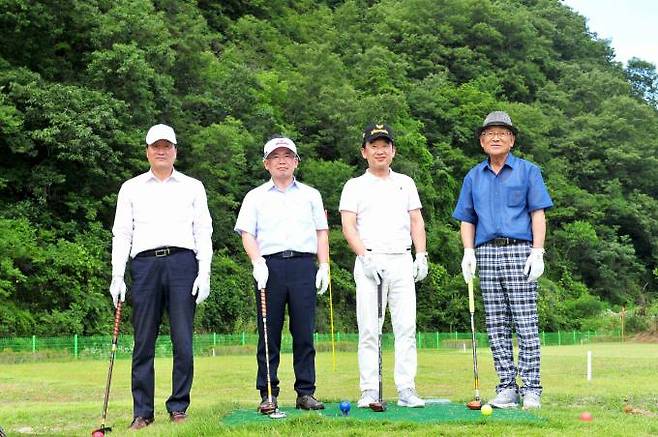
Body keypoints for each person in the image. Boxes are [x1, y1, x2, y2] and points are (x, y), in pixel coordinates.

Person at [110, 124, 213, 429]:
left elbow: (203, 231)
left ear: (175, 151)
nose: (161, 151)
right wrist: (118, 275)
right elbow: (122, 233)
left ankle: (178, 406)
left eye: (167, 146)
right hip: (144, 266)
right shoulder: (131, 187)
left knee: (183, 340)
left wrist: (204, 271)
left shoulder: (193, 186)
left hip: (183, 263)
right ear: (147, 151)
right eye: (156, 146)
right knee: (143, 341)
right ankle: (142, 412)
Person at [452, 111, 553, 409]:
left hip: (520, 250)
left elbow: (538, 213)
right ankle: (507, 387)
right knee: (496, 324)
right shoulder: (473, 176)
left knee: (525, 322)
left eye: (502, 133)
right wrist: (468, 251)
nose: (496, 137)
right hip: (485, 251)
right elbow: (467, 219)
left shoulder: (528, 171)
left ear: (512, 139)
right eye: (490, 133)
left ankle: (532, 388)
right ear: (482, 141)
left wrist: (538, 250)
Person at [234, 135, 329, 411]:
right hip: (269, 268)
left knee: (304, 332)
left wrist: (324, 266)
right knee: (269, 332)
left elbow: (321, 232)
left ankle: (305, 392)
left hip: (302, 266)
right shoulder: (255, 197)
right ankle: (268, 393)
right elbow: (247, 234)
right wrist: (257, 262)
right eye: (275, 156)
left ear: (296, 161)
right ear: (266, 163)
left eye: (287, 155)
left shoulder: (311, 195)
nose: (282, 161)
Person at [339, 123, 428, 408]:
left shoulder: (406, 183)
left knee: (405, 327)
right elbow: (348, 226)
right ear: (364, 152)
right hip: (370, 261)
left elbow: (416, 221)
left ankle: (406, 388)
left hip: (401, 259)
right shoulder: (354, 185)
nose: (380, 151)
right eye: (374, 146)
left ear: (393, 151)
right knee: (369, 329)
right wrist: (365, 256)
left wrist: (421, 254)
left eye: (385, 146)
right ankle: (369, 390)